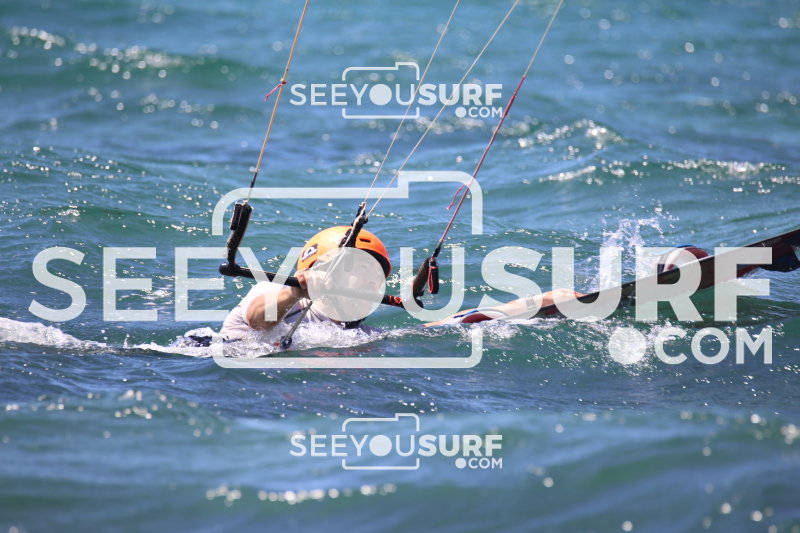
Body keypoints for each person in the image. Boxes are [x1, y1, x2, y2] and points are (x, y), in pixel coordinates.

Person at [220, 226, 583, 340]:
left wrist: (534, 304)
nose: (367, 283)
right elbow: (257, 320)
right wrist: (294, 292)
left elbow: (448, 325)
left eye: (374, 276)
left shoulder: (361, 338)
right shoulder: (275, 294)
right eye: (355, 271)